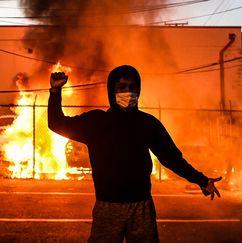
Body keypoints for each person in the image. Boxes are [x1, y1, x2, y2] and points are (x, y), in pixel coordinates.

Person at [48, 65, 221, 243]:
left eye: (132, 87)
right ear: (112, 91)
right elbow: (57, 123)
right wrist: (55, 91)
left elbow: (171, 159)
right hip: (107, 207)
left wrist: (201, 179)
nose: (128, 92)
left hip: (141, 207)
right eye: (122, 87)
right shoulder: (97, 122)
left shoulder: (147, 124)